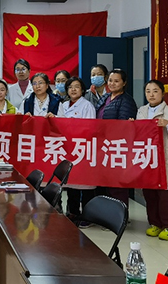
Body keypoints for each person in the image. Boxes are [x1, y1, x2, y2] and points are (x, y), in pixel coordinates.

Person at [137, 79, 168, 241]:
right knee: (150, 194)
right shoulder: (141, 111)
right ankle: (155, 224)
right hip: (148, 159)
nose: (151, 94)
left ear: (162, 93)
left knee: (165, 195)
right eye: (148, 91)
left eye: (155, 91)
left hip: (166, 160)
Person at [95, 68, 138, 210]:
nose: (112, 84)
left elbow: (124, 127)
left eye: (116, 81)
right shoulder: (105, 97)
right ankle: (104, 214)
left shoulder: (126, 101)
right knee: (103, 182)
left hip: (117, 148)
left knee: (117, 185)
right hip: (102, 146)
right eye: (110, 80)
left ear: (124, 83)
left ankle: (119, 215)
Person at [61, 77, 96, 225]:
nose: (73, 90)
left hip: (83, 148)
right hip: (68, 149)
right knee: (71, 182)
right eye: (70, 87)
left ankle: (88, 215)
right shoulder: (63, 105)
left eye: (76, 87)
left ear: (82, 90)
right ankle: (73, 212)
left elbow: (90, 128)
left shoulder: (87, 106)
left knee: (85, 183)